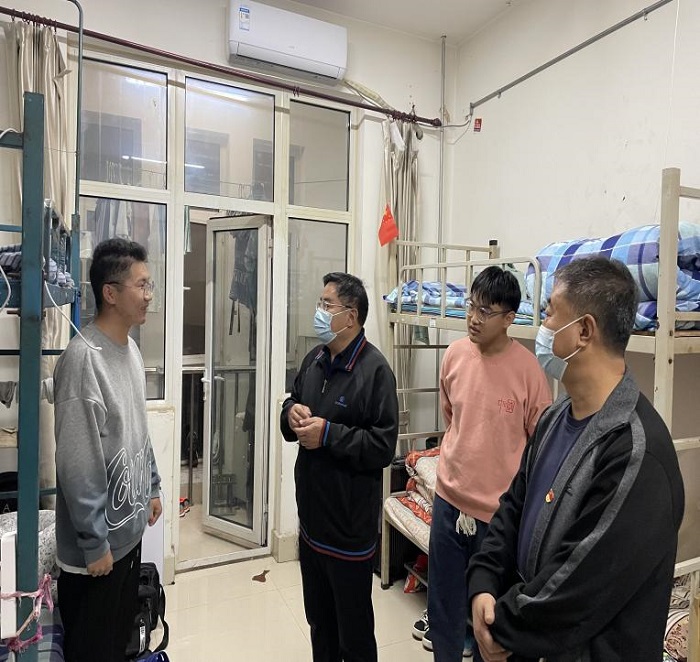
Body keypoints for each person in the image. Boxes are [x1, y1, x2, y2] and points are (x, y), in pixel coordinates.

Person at [467, 257, 685, 662]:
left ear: (583, 330)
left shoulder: (636, 451)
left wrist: (503, 625)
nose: (542, 326)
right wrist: (483, 582)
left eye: (550, 312)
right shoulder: (554, 418)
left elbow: (579, 585)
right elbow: (512, 508)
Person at [426, 266, 552, 661]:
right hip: (449, 501)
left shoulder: (528, 371)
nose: (473, 318)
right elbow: (452, 417)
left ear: (509, 318)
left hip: (496, 516)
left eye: (485, 311)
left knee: (490, 618)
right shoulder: (455, 355)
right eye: (471, 306)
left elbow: (540, 446)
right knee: (443, 605)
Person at [280, 272, 399, 662]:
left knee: (355, 635)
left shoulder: (375, 371)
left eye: (326, 305)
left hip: (348, 531)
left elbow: (382, 447)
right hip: (312, 523)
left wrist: (329, 434)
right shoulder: (315, 359)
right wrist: (290, 413)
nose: (319, 311)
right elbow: (292, 403)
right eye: (320, 302)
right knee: (320, 623)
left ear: (350, 316)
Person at [54, 238, 162, 662]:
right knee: (93, 652)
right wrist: (94, 542)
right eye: (142, 285)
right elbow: (77, 465)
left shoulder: (130, 349)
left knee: (118, 647)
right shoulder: (84, 360)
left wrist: (152, 486)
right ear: (110, 293)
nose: (149, 294)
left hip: (129, 538)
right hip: (97, 558)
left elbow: (137, 429)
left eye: (150, 284)